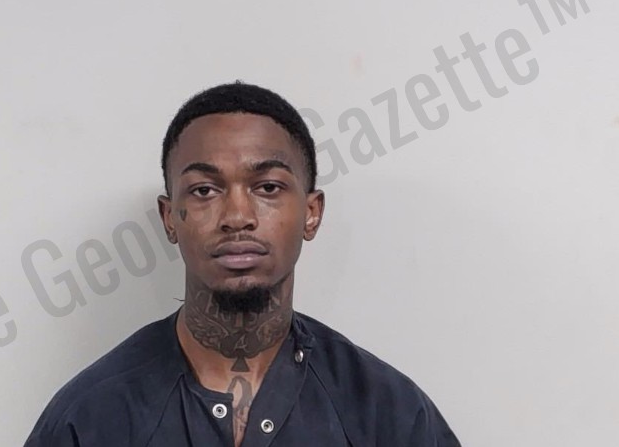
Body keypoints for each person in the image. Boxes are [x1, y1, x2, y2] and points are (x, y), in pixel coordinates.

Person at [24, 82, 462, 446]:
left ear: (311, 213)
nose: (237, 216)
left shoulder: (387, 413)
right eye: (204, 190)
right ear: (169, 218)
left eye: (268, 187)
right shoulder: (91, 418)